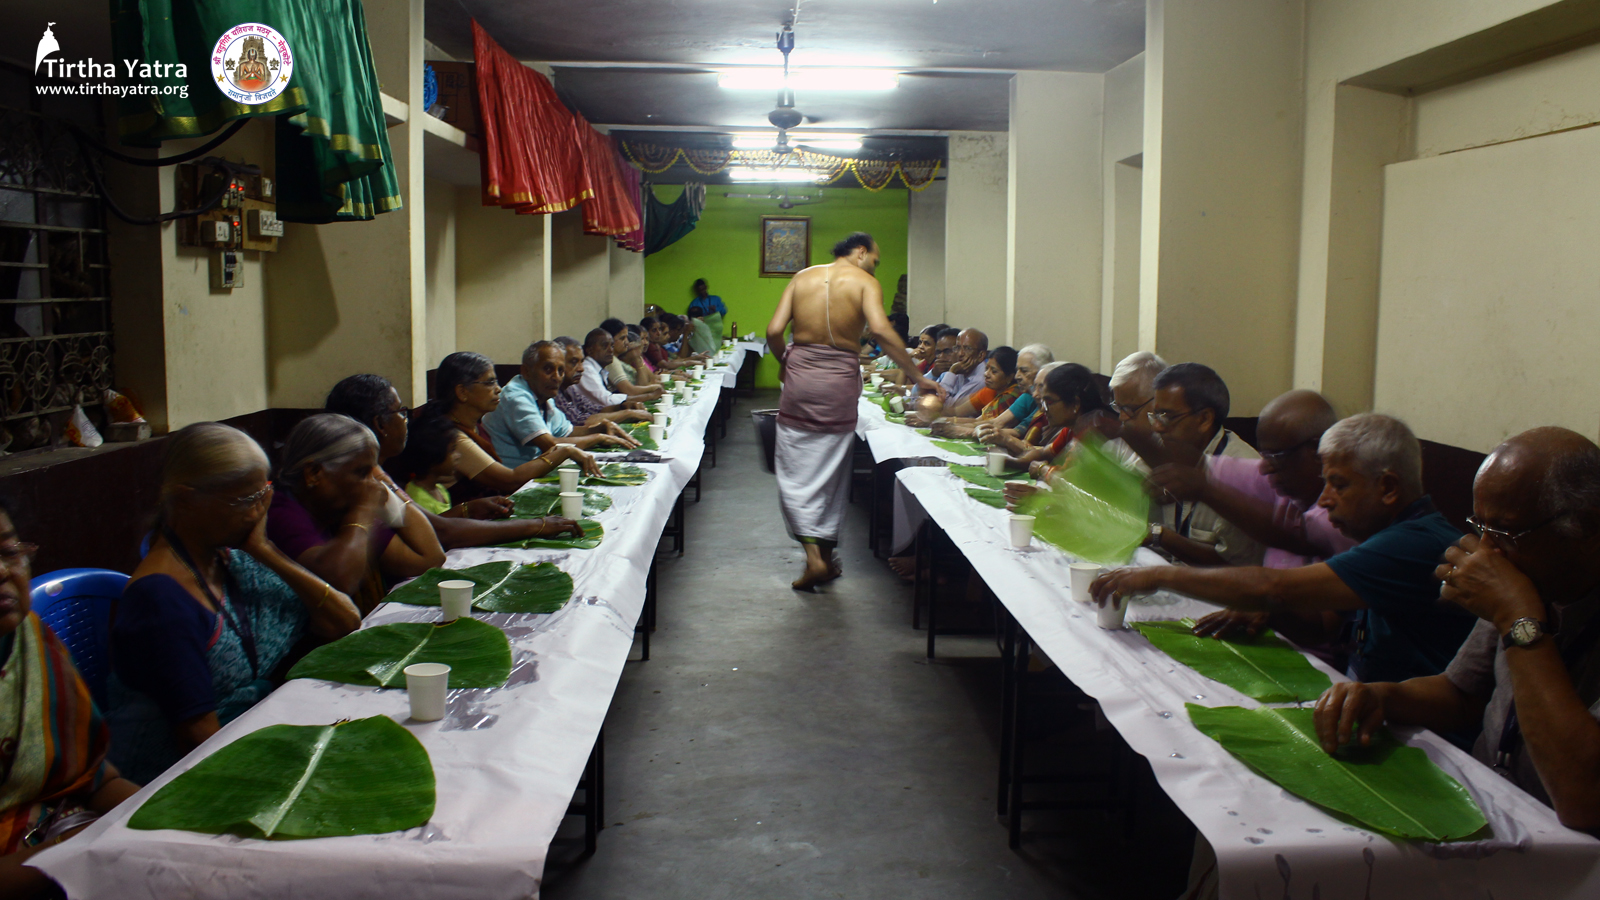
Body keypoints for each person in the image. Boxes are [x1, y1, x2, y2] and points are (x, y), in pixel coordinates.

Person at [1312, 428, 1600, 827]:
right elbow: (1461, 693)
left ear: (1587, 528)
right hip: (1490, 803)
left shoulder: (1516, 595)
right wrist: (1381, 697)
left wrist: (1520, 621)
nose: (1485, 551)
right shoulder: (1525, 577)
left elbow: (1582, 796)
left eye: (1504, 532)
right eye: (1480, 527)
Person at [1091, 413, 1479, 684]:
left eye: (1339, 485)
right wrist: (1270, 615)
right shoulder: (1379, 533)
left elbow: (1275, 587)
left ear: (1389, 488)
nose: (1324, 501)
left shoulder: (1413, 543)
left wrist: (1158, 574)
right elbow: (1322, 625)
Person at [107, 424, 361, 784]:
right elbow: (198, 738)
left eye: (264, 495)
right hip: (175, 779)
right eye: (245, 501)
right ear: (185, 498)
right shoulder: (161, 599)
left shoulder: (232, 560)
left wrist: (265, 550)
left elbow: (344, 620)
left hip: (248, 736)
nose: (257, 513)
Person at [768, 231, 940, 591]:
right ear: (861, 252)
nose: (875, 268)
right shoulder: (865, 283)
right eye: (875, 260)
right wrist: (916, 376)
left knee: (794, 470)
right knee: (831, 474)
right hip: (838, 385)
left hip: (800, 381)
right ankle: (823, 560)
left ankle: (816, 560)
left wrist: (786, 362)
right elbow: (880, 330)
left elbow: (773, 330)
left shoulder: (802, 277)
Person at [1148, 390, 1358, 666]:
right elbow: (1196, 467)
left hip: (1312, 665)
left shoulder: (1339, 519)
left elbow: (1314, 626)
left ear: (1316, 451)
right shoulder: (1285, 485)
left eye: (1276, 456)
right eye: (1264, 454)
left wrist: (1159, 572)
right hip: (1264, 642)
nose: (1265, 469)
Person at [0, 501, 141, 897]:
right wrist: (75, 852)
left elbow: (96, 777)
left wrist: (157, 821)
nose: (2, 572)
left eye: (9, 552)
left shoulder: (31, 640)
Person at [326, 373, 582, 550]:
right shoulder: (366, 479)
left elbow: (428, 523)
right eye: (401, 413)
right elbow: (440, 531)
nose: (499, 389)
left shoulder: (375, 470)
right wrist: (534, 526)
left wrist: (467, 510)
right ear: (380, 425)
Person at [267, 413, 447, 614]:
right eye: (362, 473)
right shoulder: (280, 512)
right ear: (314, 473)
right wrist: (363, 511)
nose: (372, 485)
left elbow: (430, 559)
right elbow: (339, 580)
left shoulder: (340, 509)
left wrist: (387, 485)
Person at [1139, 363, 1265, 567]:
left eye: (1167, 417)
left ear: (1205, 419)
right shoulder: (1168, 451)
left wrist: (1160, 536)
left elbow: (1235, 566)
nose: (1157, 427)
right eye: (1155, 415)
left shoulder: (1243, 471)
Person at [483, 341, 640, 466]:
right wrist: (597, 437)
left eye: (560, 370)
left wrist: (600, 428)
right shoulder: (516, 396)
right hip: (516, 484)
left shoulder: (544, 395)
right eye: (548, 369)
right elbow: (551, 445)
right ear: (526, 371)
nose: (557, 377)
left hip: (538, 471)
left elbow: (567, 432)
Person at [989, 362, 1109, 476]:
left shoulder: (1096, 429)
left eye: (1049, 402)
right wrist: (1011, 462)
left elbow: (1071, 482)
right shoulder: (1071, 428)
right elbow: (1043, 453)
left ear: (1075, 403)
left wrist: (1043, 470)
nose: (1044, 409)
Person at [552, 337, 654, 428]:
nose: (581, 368)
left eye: (581, 362)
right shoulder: (554, 392)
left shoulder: (570, 387)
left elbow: (592, 409)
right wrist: (627, 413)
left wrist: (623, 406)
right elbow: (579, 421)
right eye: (573, 362)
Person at [931, 347, 1022, 439]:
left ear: (1010, 377)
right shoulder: (991, 389)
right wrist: (939, 420)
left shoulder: (1011, 396)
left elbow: (991, 424)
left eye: (994, 371)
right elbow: (959, 412)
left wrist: (952, 426)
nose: (986, 374)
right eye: (986, 368)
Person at [974, 343, 1052, 442]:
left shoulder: (1016, 394)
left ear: (1043, 372)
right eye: (1017, 370)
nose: (1017, 376)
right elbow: (997, 423)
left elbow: (1023, 439)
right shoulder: (1027, 395)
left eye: (1024, 371)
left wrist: (964, 431)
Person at [579, 329, 661, 407]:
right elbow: (607, 400)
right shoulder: (587, 369)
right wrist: (649, 396)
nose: (610, 350)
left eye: (612, 346)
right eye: (604, 346)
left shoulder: (601, 368)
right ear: (590, 350)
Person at [687, 278, 726, 353]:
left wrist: (715, 309)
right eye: (700, 289)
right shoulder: (694, 303)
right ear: (697, 290)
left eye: (703, 288)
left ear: (706, 287)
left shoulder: (715, 299)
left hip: (715, 329)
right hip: (701, 331)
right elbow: (691, 318)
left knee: (717, 349)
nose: (702, 291)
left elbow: (724, 311)